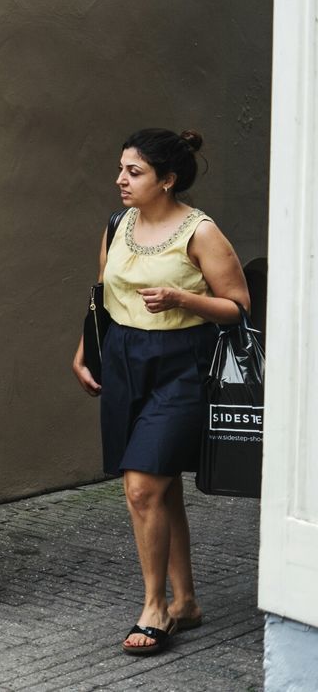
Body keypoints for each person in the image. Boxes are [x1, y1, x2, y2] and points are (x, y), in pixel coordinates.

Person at [71, 128, 249, 656]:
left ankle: (156, 608)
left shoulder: (200, 232)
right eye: (122, 168)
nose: (120, 179)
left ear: (167, 180)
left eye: (134, 171)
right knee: (161, 483)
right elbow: (102, 294)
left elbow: (238, 306)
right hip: (125, 360)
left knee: (142, 486)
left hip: (182, 364)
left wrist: (182, 297)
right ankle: (187, 601)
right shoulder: (118, 224)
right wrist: (85, 349)